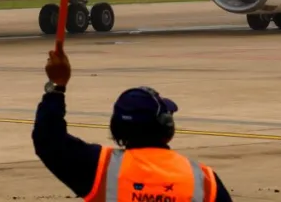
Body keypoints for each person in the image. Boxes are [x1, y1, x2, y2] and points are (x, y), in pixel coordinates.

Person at [33, 43, 232, 201]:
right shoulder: (204, 181)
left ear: (117, 128)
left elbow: (47, 138)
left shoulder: (101, 169)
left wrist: (57, 86)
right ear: (167, 126)